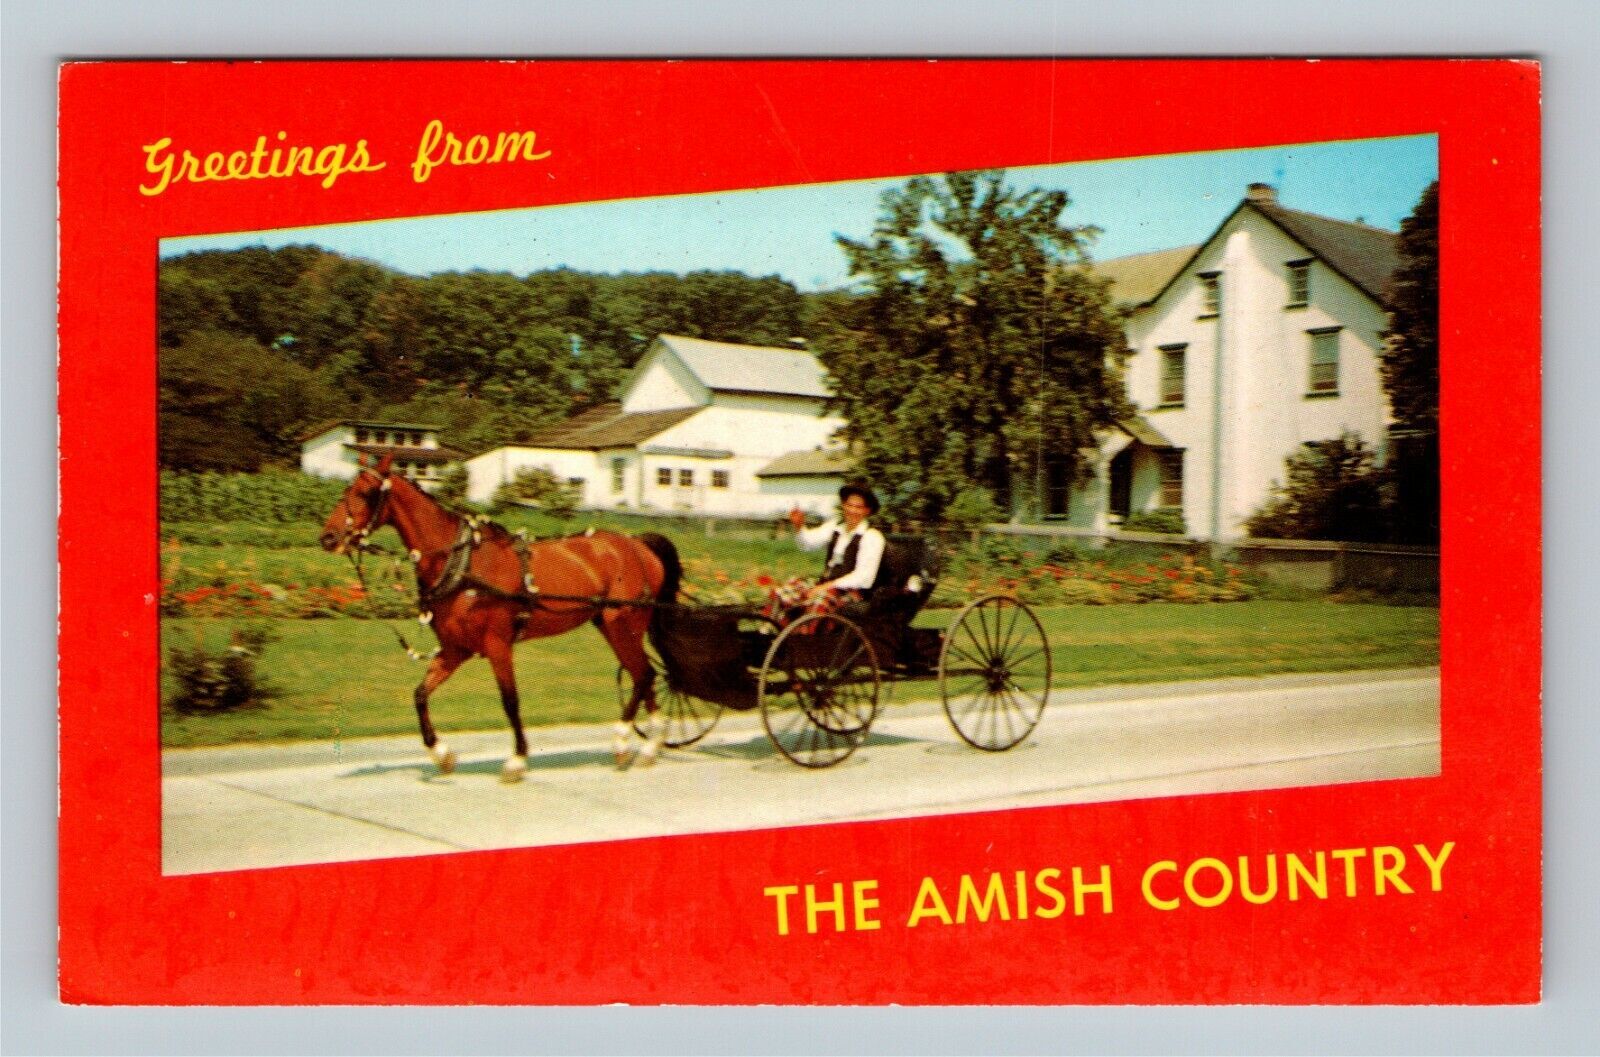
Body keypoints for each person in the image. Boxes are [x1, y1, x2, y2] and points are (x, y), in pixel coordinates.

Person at [769, 483, 886, 620]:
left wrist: (827, 586)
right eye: (849, 505)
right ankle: (770, 629)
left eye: (858, 507)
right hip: (825, 584)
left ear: (867, 511)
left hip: (852, 591)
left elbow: (864, 577)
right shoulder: (835, 528)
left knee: (817, 603)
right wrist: (799, 525)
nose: (853, 510)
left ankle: (804, 633)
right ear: (843, 506)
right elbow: (808, 543)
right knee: (782, 592)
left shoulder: (872, 537)